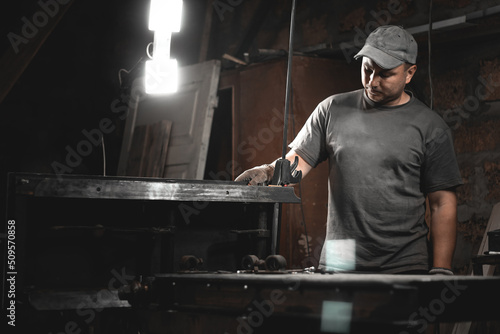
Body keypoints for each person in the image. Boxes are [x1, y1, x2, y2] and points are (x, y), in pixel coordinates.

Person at [235, 25, 463, 274]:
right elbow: (298, 161)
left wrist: (441, 269)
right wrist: (269, 171)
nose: (372, 82)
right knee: (336, 315)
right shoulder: (332, 110)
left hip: (404, 264)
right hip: (339, 262)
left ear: (409, 73)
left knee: (398, 316)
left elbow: (442, 203)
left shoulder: (431, 127)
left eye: (385, 75)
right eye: (367, 69)